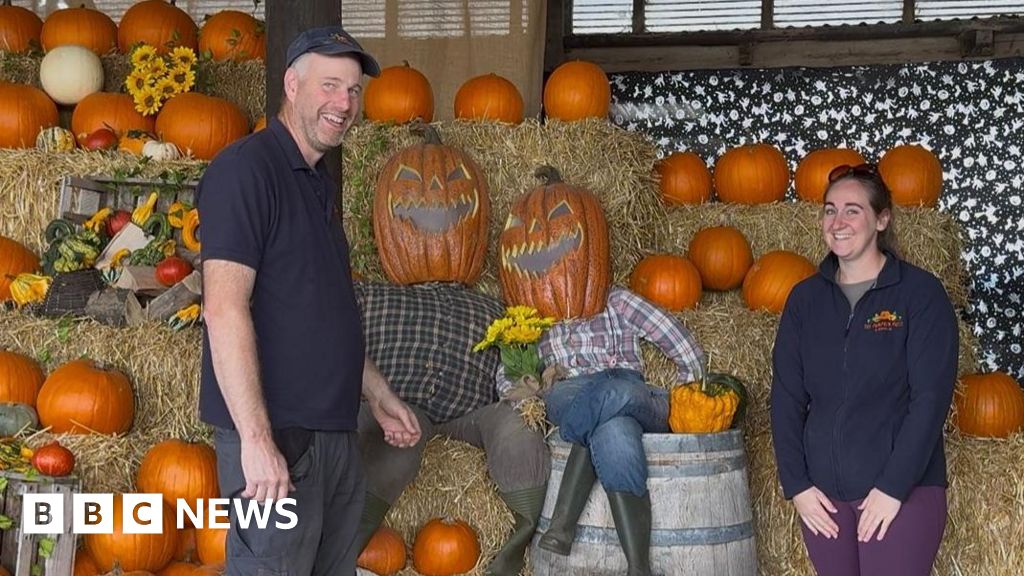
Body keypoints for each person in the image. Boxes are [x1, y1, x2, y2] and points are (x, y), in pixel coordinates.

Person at [196, 26, 421, 576]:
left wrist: (377, 393)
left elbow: (317, 314)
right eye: (329, 86)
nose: (343, 104)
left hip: (333, 435)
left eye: (352, 91)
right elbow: (223, 308)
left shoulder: (317, 182)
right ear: (292, 85)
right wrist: (256, 442)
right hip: (281, 437)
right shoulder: (246, 170)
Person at [770, 163, 958, 576]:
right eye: (829, 210)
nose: (838, 222)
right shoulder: (804, 300)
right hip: (823, 500)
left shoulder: (920, 295)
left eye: (853, 210)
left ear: (882, 218)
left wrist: (892, 488)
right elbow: (785, 398)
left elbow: (930, 400)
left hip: (901, 494)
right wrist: (797, 485)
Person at [352, 281, 550, 576]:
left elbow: (515, 376)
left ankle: (517, 542)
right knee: (399, 435)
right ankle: (350, 543)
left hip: (469, 417)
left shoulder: (503, 314)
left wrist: (523, 388)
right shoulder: (366, 293)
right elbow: (329, 336)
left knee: (519, 422)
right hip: (391, 406)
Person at [522, 286, 706, 576]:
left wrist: (689, 401)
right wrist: (527, 396)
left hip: (627, 387)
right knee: (615, 431)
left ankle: (562, 524)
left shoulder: (617, 301)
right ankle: (639, 566)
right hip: (571, 393)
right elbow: (508, 376)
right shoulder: (534, 315)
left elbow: (683, 346)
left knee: (618, 392)